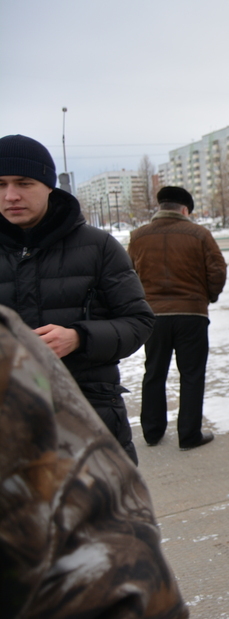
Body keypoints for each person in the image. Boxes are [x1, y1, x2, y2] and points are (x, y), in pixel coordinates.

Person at [0, 304, 189, 618]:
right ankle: (172, 430)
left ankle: (172, 430)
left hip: (94, 411)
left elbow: (139, 320)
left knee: (168, 372)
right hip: (187, 312)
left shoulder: (8, 344)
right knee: (167, 373)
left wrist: (79, 336)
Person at [0, 134, 154, 465]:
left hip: (89, 422)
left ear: (48, 185)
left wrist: (79, 337)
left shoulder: (98, 247)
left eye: (24, 183)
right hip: (10, 431)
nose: (10, 195)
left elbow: (139, 322)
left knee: (109, 515)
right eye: (0, 184)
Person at [128, 186, 227, 451]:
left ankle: (152, 431)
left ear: (161, 207)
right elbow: (217, 270)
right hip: (191, 315)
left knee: (154, 372)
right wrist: (207, 297)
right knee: (192, 374)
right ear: (185, 210)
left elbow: (128, 274)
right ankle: (189, 434)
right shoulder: (199, 234)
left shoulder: (138, 236)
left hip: (153, 316)